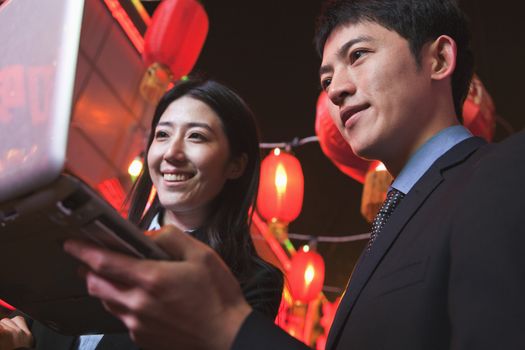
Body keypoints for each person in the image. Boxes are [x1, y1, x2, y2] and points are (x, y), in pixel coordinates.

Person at [61, 0, 525, 349]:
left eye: (358, 55)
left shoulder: (503, 173)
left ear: (439, 60)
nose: (337, 90)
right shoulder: (398, 218)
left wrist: (228, 327)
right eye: (326, 79)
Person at [0, 78, 283, 349]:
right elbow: (36, 328)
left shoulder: (253, 282)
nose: (172, 152)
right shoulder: (87, 237)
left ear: (236, 165)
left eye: (196, 136)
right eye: (162, 134)